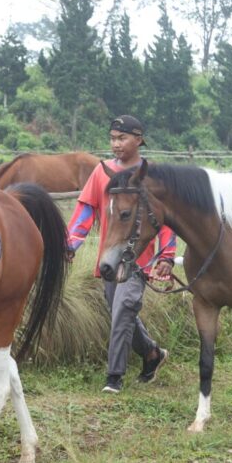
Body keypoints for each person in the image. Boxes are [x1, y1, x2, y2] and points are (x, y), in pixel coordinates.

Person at [67, 116, 175, 394]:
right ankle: (152, 353)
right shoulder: (101, 173)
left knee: (124, 308)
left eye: (122, 138)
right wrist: (71, 244)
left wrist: (166, 255)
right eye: (113, 138)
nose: (116, 144)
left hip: (140, 258)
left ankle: (114, 376)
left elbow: (165, 221)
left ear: (138, 140)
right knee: (119, 312)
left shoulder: (152, 176)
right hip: (109, 259)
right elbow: (86, 210)